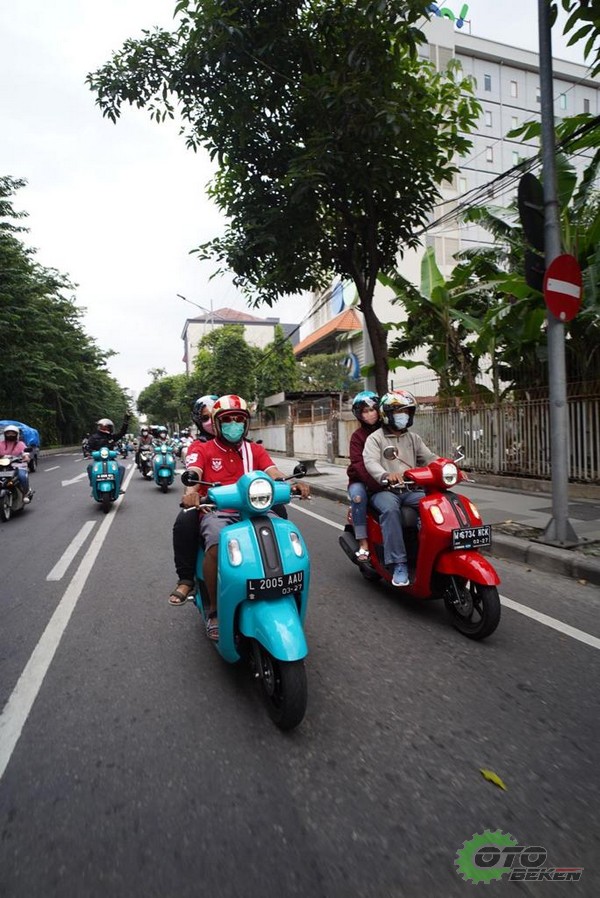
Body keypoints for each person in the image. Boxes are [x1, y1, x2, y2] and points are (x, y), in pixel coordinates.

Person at [169, 394, 311, 642]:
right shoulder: (201, 448)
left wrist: (291, 484)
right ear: (216, 422)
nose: (233, 424)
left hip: (256, 508)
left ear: (246, 423)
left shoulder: (254, 449)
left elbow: (273, 472)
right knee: (215, 543)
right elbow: (193, 472)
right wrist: (191, 494)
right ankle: (214, 611)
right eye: (227, 419)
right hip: (218, 511)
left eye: (239, 419)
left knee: (286, 534)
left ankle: (281, 590)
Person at [363, 390, 438, 587]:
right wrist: (386, 475)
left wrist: (449, 467)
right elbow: (370, 462)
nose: (403, 415)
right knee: (390, 510)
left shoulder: (413, 438)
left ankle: (427, 552)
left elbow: (429, 458)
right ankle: (399, 563)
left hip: (411, 490)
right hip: (385, 492)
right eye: (398, 411)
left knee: (433, 504)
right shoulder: (376, 438)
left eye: (406, 411)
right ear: (386, 414)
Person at [346, 391, 381, 560]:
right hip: (361, 480)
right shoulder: (357, 437)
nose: (369, 414)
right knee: (358, 497)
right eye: (365, 411)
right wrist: (375, 482)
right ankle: (363, 542)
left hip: (386, 479)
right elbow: (358, 465)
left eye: (372, 409)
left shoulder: (388, 432)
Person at [86, 414, 130, 490]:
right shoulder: (93, 437)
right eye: (103, 426)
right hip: (98, 460)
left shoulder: (111, 437)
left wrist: (126, 421)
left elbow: (122, 433)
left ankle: (118, 486)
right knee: (90, 467)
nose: (105, 428)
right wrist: (89, 452)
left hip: (110, 460)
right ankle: (93, 484)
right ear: (100, 427)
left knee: (121, 468)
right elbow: (89, 447)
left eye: (107, 426)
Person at [0, 425, 33, 502]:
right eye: (8, 433)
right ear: (5, 434)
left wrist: (26, 457)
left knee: (22, 476)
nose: (10, 435)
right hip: (2, 466)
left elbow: (25, 453)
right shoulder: (0, 444)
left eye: (12, 433)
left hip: (18, 465)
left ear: (16, 434)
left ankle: (26, 493)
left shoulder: (20, 444)